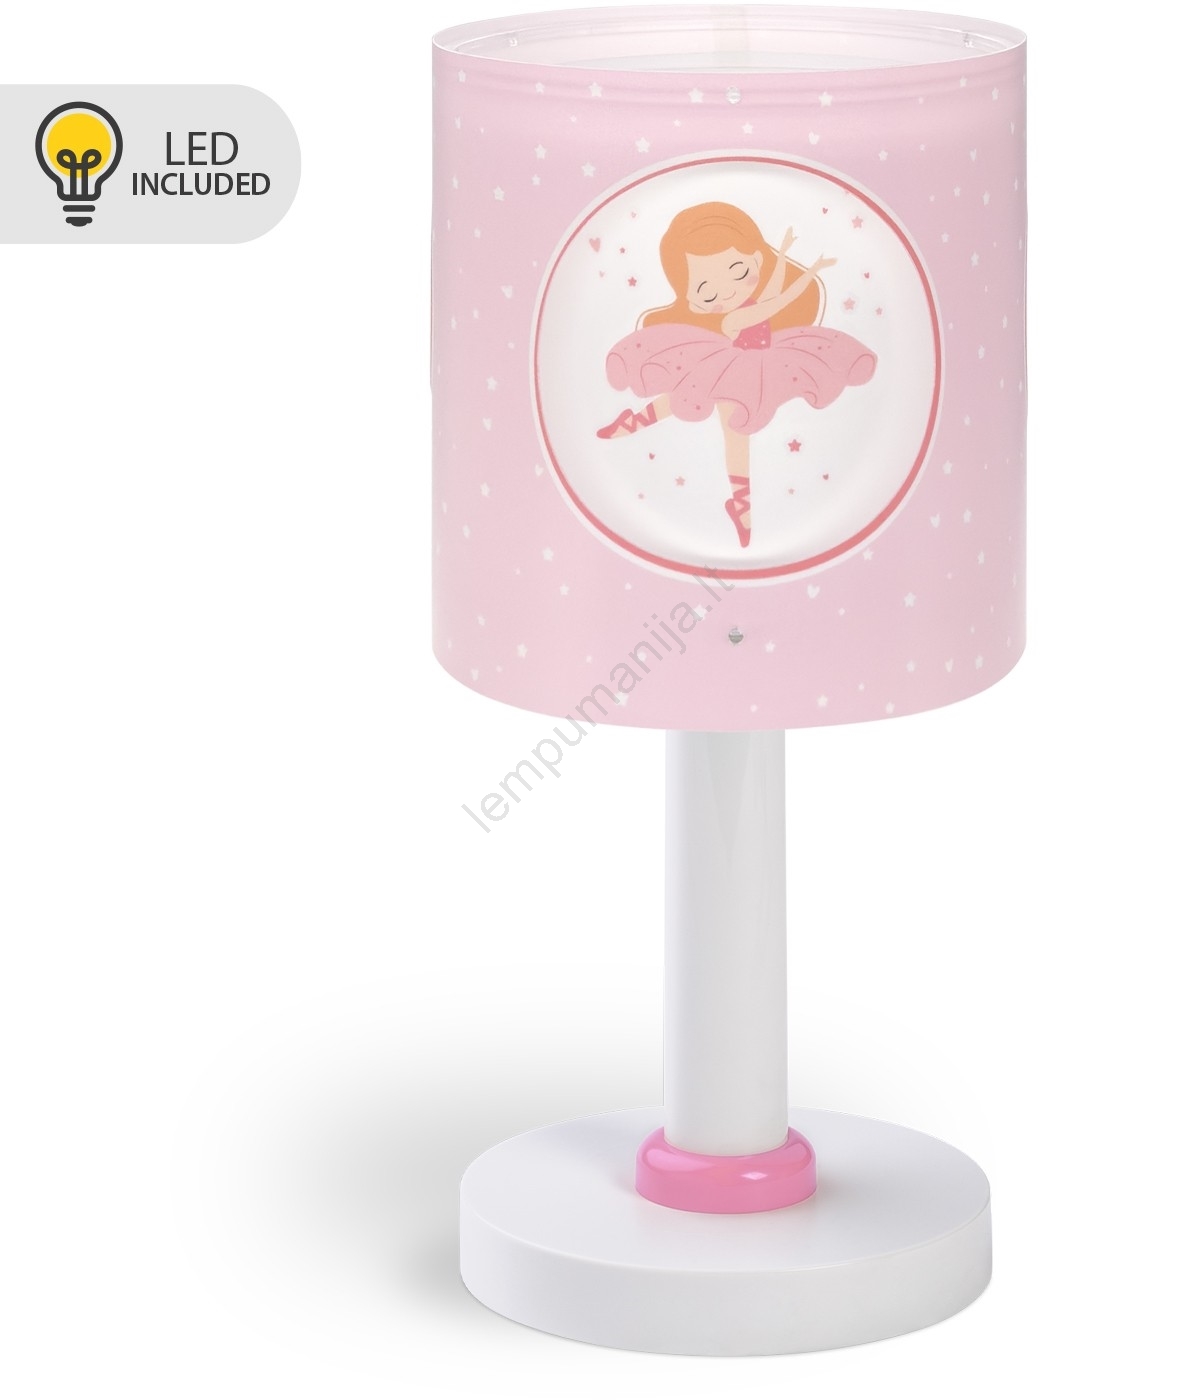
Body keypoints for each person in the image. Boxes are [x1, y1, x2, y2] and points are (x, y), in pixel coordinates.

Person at [597, 201, 876, 547]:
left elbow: (774, 290)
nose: (727, 290)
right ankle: (737, 503)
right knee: (716, 418)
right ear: (694, 301)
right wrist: (808, 270)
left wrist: (786, 256)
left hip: (755, 364)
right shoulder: (734, 319)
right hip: (730, 366)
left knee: (707, 416)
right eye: (707, 290)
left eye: (738, 271)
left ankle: (636, 428)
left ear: (756, 260)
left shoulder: (752, 299)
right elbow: (778, 301)